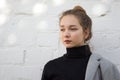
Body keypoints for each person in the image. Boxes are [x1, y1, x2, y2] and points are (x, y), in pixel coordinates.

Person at [41, 5, 120, 80]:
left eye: (72, 29)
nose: (66, 34)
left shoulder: (105, 67)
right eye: (62, 29)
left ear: (86, 33)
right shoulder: (51, 67)